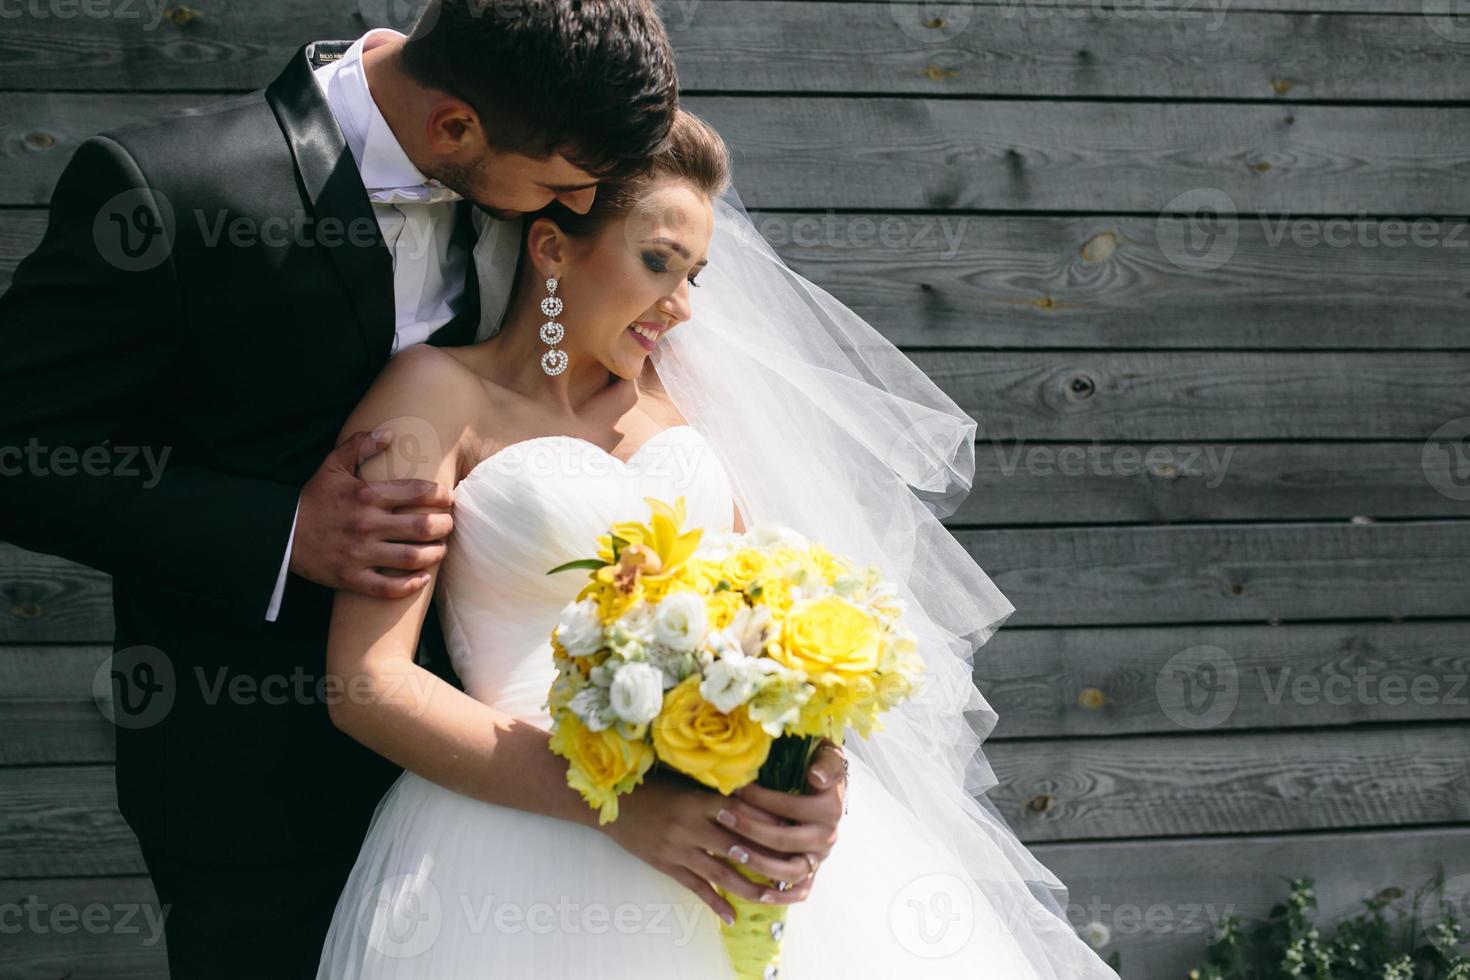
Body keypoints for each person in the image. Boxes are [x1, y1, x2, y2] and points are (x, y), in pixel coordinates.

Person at [0, 3, 830, 976]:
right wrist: (282, 532)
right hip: (261, 785)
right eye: (564, 189)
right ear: (454, 129)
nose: (562, 208)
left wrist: (787, 761)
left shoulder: (548, 191)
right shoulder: (172, 191)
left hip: (555, 791)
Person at [314, 109, 1121, 979]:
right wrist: (617, 810)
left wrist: (818, 775)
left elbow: (765, 631)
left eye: (694, 273)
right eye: (658, 261)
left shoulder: (693, 409)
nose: (683, 305)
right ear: (551, 249)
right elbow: (367, 684)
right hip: (510, 836)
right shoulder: (437, 394)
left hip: (722, 833)